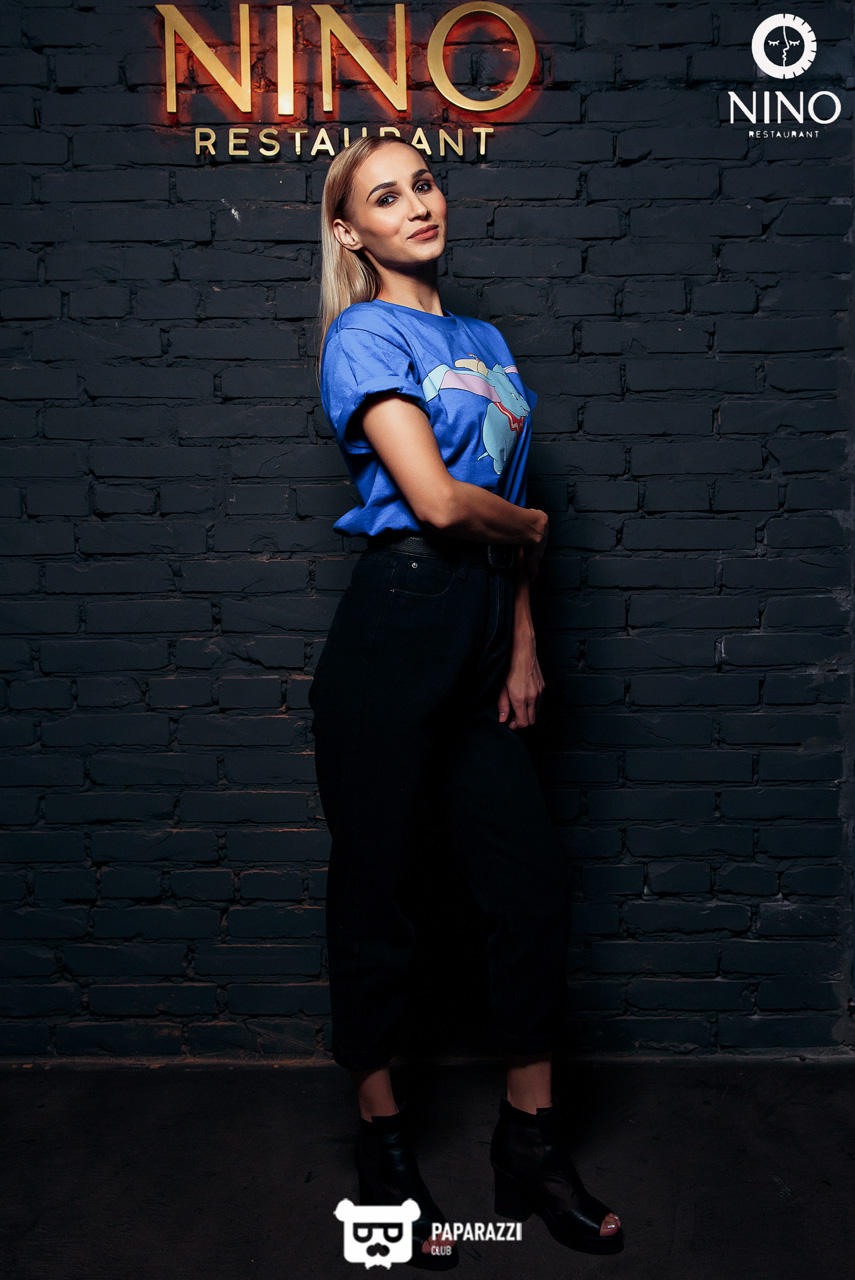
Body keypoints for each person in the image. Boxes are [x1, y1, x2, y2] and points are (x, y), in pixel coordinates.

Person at [308, 135, 623, 1268]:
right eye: (385, 197)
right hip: (396, 626)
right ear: (351, 232)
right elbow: (440, 504)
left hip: (485, 626)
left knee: (528, 885)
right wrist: (530, 529)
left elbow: (507, 507)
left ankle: (527, 1141)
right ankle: (383, 1145)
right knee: (379, 897)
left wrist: (522, 641)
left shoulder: (484, 341)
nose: (417, 205)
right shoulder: (362, 335)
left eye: (424, 183)